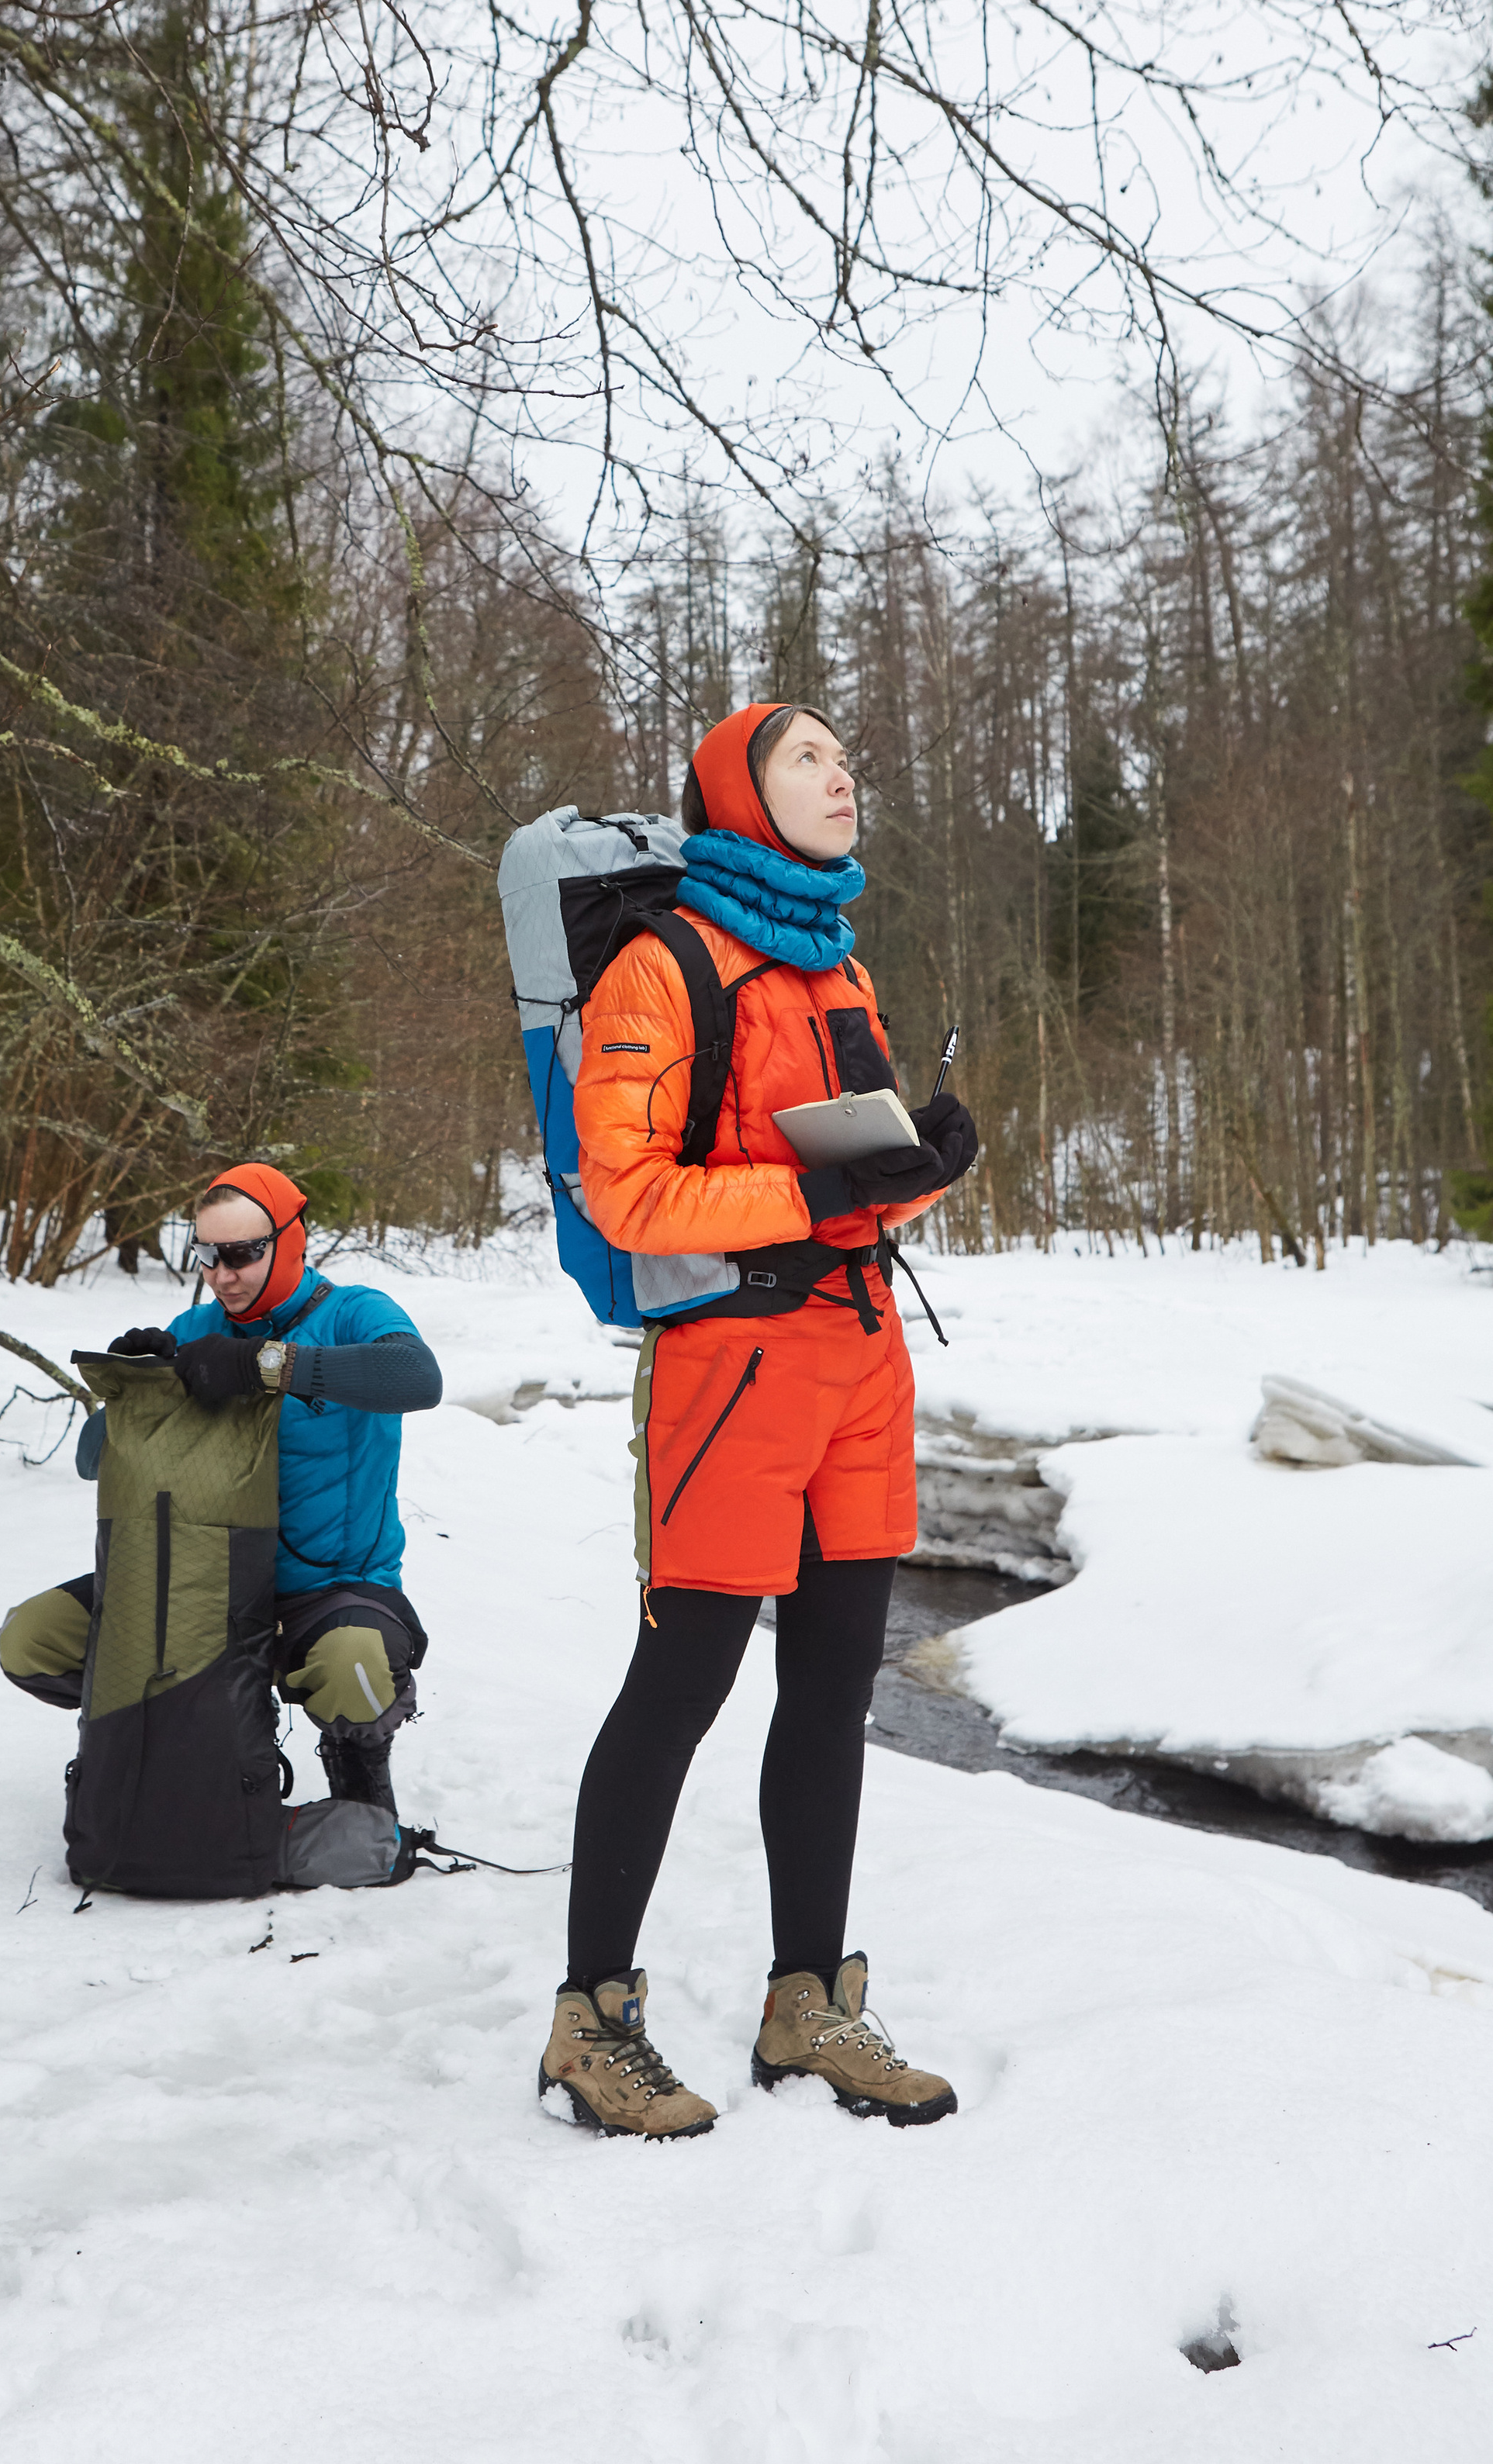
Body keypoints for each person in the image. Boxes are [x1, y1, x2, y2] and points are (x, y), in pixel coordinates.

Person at [536, 703, 980, 2139]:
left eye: (847, 756)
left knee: (836, 1690)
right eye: (806, 756)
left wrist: (924, 1165)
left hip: (859, 1358)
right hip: (731, 1369)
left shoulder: (836, 959)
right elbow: (629, 1190)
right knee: (681, 1688)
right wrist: (826, 1193)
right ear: (737, 790)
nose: (841, 772)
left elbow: (854, 1178)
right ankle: (590, 2024)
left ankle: (810, 2005)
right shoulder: (664, 964)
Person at [0, 1160, 444, 1817]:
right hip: (202, 1587)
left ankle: (357, 1765)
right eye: (206, 1255)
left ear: (290, 1241)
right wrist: (133, 1389)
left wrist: (266, 1364)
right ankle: (154, 1732)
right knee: (32, 1638)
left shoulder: (354, 1313)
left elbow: (417, 1379)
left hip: (332, 1589)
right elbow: (93, 1462)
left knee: (355, 1666)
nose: (222, 1275)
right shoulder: (195, 1331)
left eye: (240, 1254)